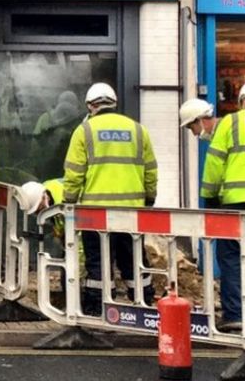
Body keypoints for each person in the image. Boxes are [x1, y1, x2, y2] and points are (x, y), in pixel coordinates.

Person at [62, 82, 157, 315]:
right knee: (134, 261)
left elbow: (74, 172)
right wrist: (149, 199)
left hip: (96, 212)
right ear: (114, 103)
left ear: (90, 106)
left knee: (99, 264)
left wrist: (69, 201)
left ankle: (98, 310)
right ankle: (143, 305)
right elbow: (151, 170)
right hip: (132, 211)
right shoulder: (138, 130)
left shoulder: (84, 131)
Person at [201, 80, 245, 333]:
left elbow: (214, 164)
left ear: (241, 102)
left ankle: (236, 315)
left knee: (232, 259)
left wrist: (210, 198)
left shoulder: (230, 122)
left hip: (236, 205)